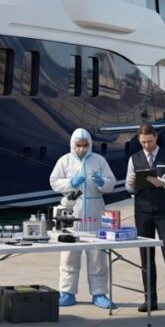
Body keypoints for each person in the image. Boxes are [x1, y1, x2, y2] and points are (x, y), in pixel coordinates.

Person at [49, 128, 116, 309]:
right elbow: (54, 182)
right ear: (73, 145)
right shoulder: (65, 161)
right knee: (69, 255)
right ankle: (67, 292)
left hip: (95, 212)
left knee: (98, 256)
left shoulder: (99, 161)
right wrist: (71, 183)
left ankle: (99, 293)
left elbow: (112, 182)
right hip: (72, 212)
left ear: (90, 145)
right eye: (78, 146)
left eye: (85, 145)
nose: (81, 149)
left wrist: (102, 183)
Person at [125, 123, 165, 316]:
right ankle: (150, 299)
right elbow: (128, 187)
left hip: (164, 212)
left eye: (149, 141)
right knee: (146, 256)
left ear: (156, 137)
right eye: (143, 142)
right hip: (142, 213)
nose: (146, 145)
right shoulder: (134, 159)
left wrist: (164, 183)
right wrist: (132, 181)